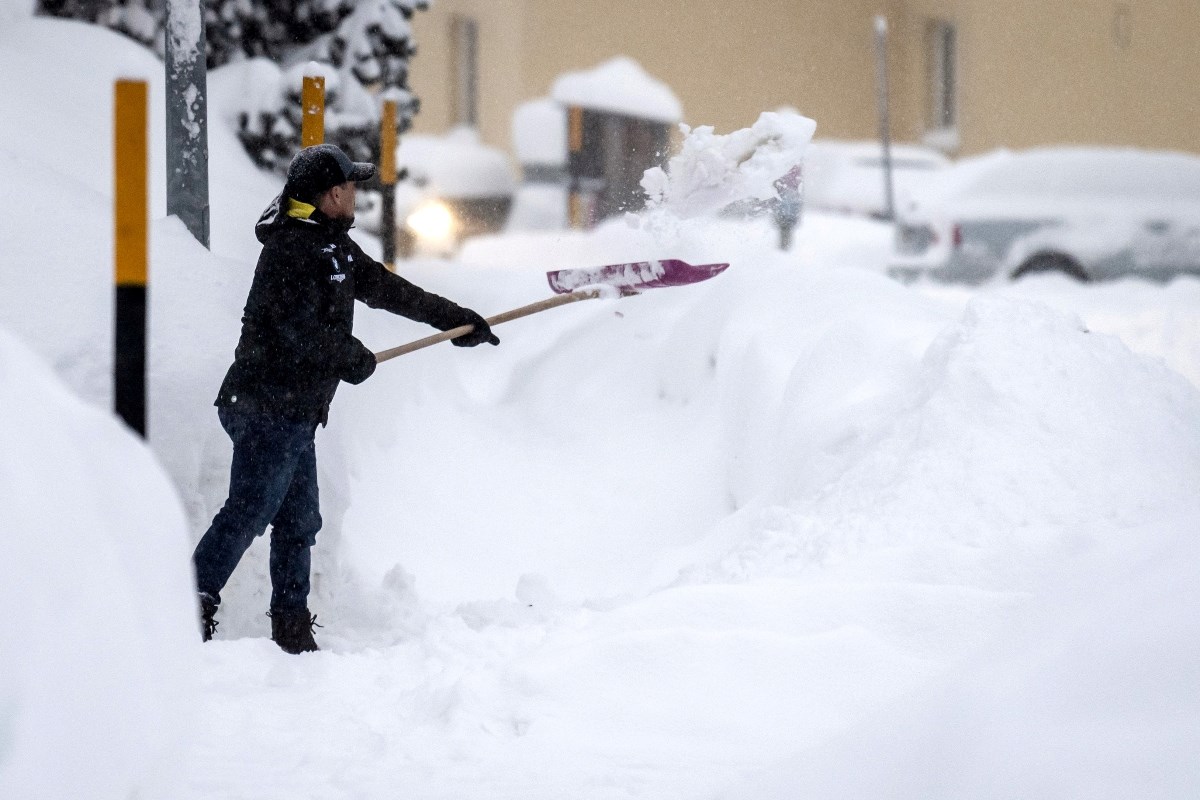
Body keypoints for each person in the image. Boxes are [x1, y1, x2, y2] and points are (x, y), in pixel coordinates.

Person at [193, 143, 498, 654]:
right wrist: (348, 355)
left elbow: (389, 290)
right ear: (332, 193)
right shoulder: (290, 248)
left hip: (295, 410)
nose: (357, 193)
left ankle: (290, 629)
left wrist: (456, 320)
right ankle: (184, 605)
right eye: (351, 186)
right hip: (263, 402)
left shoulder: (333, 246)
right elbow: (295, 332)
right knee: (250, 510)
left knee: (298, 520)